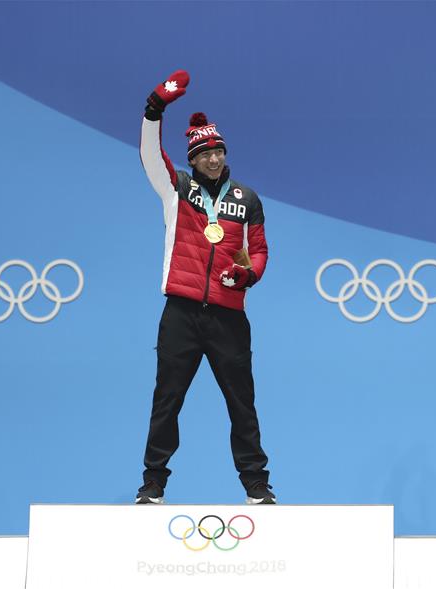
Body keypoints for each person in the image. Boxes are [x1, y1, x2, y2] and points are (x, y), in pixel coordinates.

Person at [135, 70, 275, 505]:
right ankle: (153, 485)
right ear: (192, 159)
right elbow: (149, 154)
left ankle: (257, 486)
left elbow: (259, 252)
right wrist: (154, 108)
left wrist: (246, 275)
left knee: (242, 404)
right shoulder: (175, 188)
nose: (214, 158)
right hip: (181, 312)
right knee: (167, 401)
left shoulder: (246, 199)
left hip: (230, 317)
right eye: (205, 153)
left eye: (219, 151)